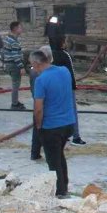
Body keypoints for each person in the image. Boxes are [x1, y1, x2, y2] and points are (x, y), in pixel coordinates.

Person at [31, 48, 77, 198]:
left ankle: (60, 191)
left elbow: (38, 108)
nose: (33, 69)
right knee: (59, 155)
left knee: (53, 160)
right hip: (68, 123)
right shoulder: (64, 71)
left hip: (51, 126)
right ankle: (65, 184)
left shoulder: (41, 80)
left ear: (37, 64)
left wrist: (38, 126)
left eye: (32, 66)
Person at [49, 36, 86, 145]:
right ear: (62, 43)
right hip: (66, 88)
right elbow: (70, 72)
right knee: (72, 112)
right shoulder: (65, 55)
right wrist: (74, 86)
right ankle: (76, 137)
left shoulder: (50, 55)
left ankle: (60, 135)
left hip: (54, 88)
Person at [28, 45, 53, 161]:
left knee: (38, 129)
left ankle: (35, 152)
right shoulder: (38, 73)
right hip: (41, 102)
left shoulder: (35, 71)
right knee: (40, 129)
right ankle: (37, 152)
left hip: (39, 101)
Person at [2, 21, 26, 110]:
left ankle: (15, 101)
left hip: (9, 64)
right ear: (15, 29)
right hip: (14, 65)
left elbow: (4, 52)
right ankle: (14, 104)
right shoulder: (14, 41)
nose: (21, 29)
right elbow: (15, 55)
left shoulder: (7, 38)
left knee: (15, 84)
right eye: (20, 27)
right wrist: (21, 67)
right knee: (16, 84)